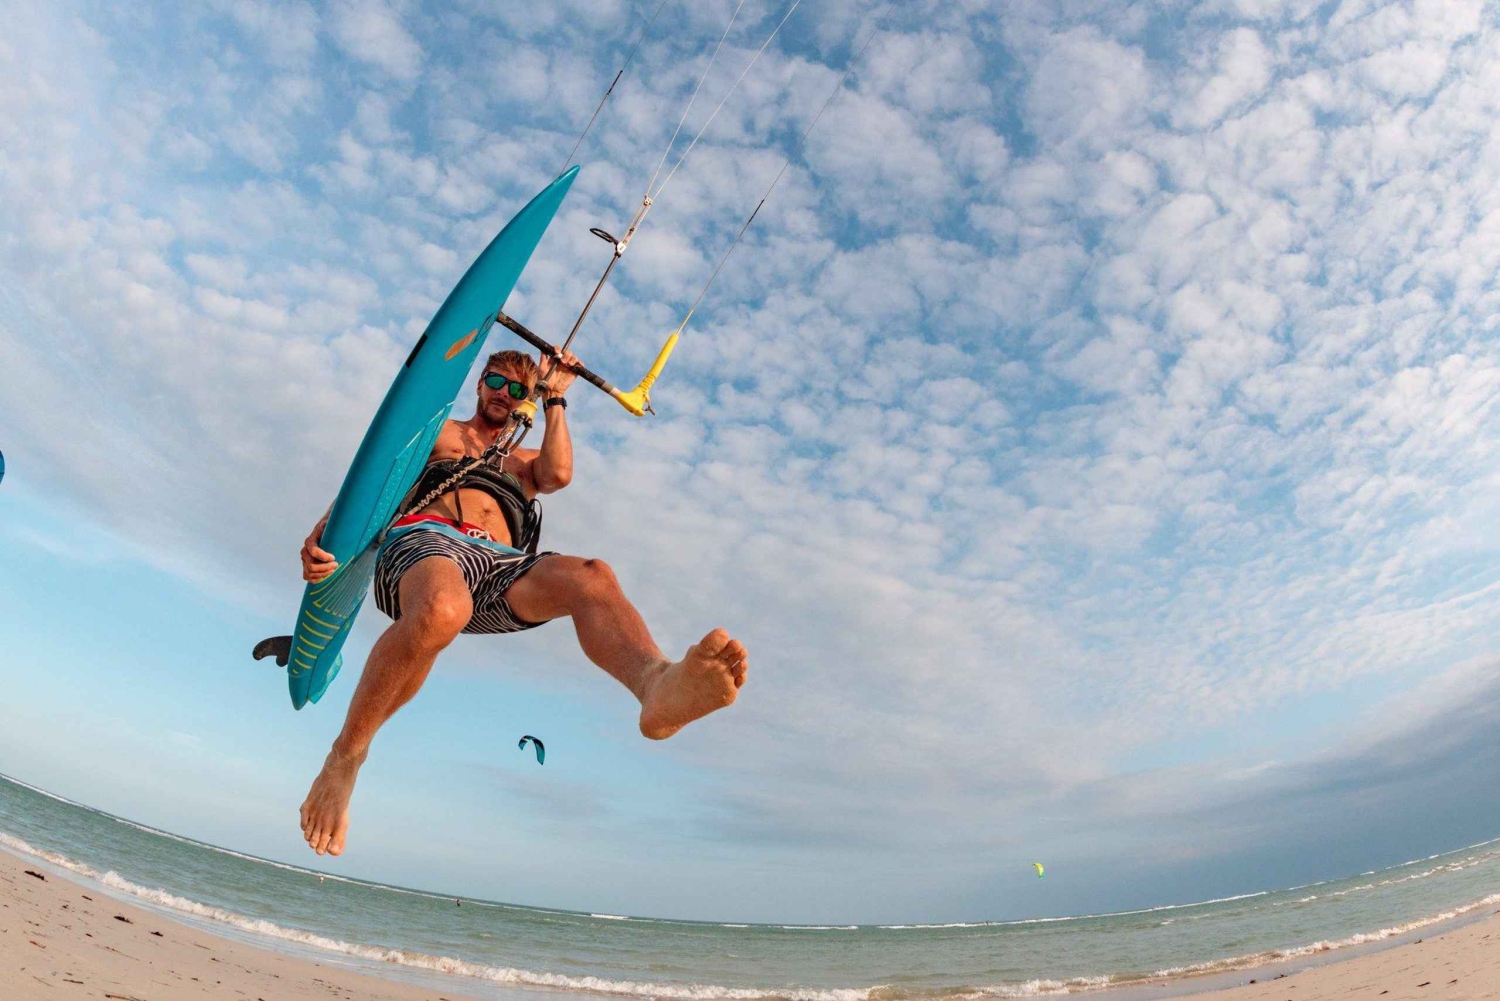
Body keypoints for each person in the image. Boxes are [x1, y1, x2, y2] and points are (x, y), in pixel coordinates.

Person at [296, 349, 748, 857]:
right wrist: (325, 533)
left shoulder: (526, 462)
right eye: (495, 382)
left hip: (501, 565)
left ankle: (655, 686)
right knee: (445, 609)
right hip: (427, 543)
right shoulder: (441, 433)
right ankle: (346, 758)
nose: (503, 395)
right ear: (479, 384)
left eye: (518, 390)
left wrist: (555, 396)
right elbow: (376, 474)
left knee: (593, 577)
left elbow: (558, 475)